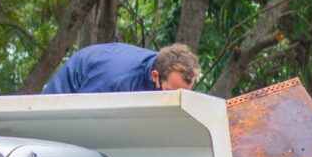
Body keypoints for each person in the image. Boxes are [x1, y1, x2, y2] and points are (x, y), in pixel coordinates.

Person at [42, 43, 200, 94]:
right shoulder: (117, 81)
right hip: (67, 94)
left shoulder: (161, 68)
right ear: (155, 76)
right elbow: (87, 116)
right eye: (170, 93)